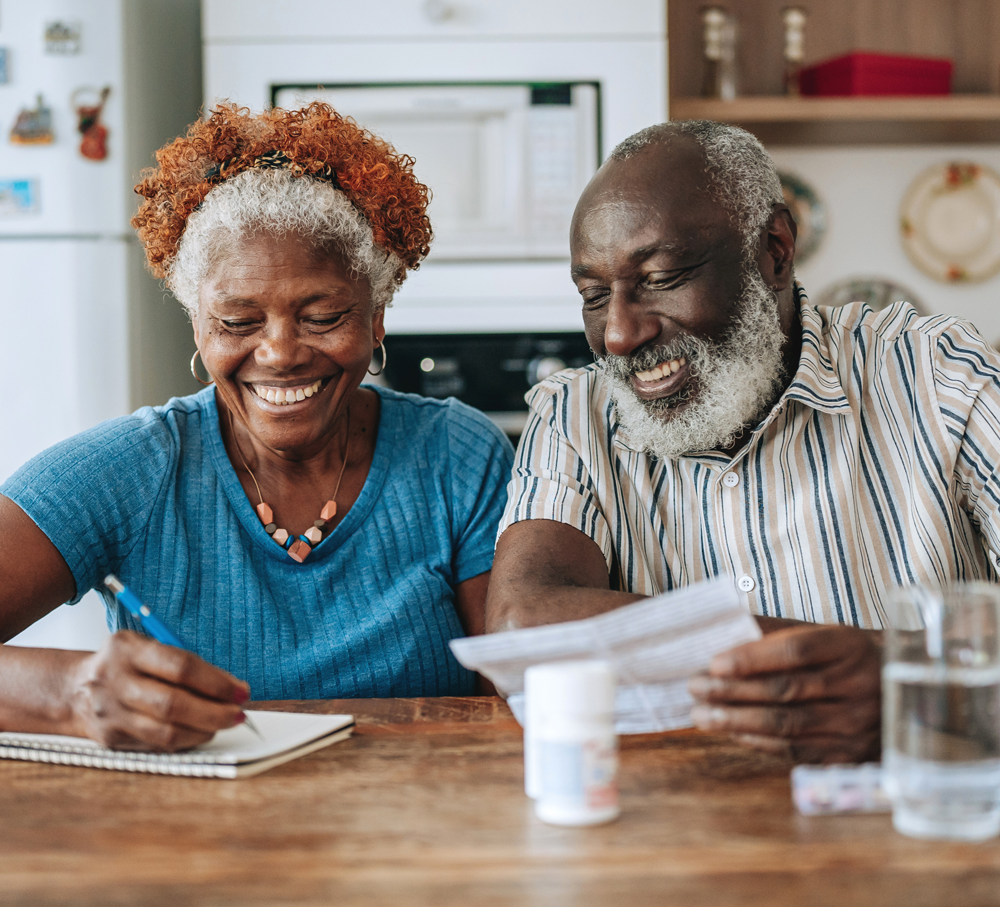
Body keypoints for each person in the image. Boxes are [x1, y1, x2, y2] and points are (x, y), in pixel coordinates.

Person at [0, 103, 512, 751]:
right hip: (196, 841)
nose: (279, 352)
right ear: (197, 326)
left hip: (409, 835)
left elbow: (523, 701)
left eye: (323, 316)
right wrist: (68, 694)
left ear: (377, 316)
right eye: (238, 322)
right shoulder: (131, 470)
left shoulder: (456, 457)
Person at [486, 120, 1000, 763]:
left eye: (663, 276)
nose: (617, 334)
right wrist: (887, 662)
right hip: (680, 833)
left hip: (923, 815)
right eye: (593, 295)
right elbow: (522, 624)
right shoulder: (574, 413)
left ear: (775, 251)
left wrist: (914, 693)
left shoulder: (941, 375)